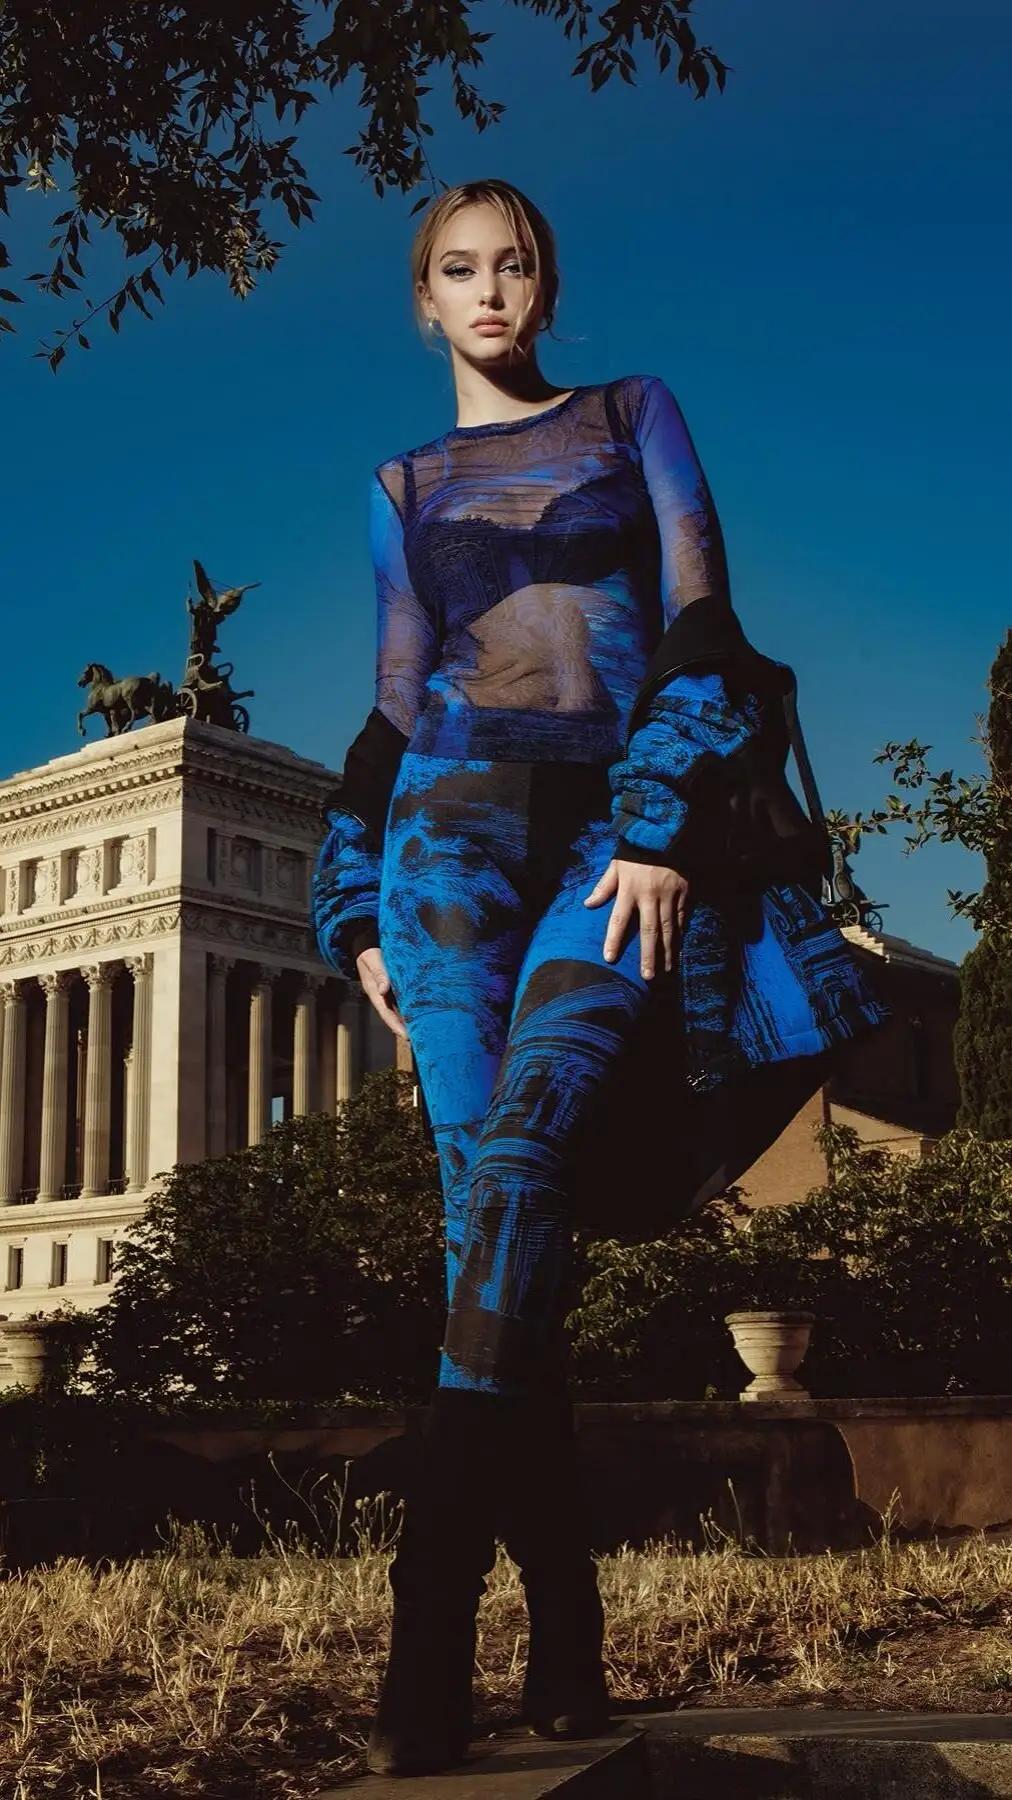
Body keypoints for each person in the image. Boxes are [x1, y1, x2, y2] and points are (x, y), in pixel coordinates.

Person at [311, 177, 888, 1777]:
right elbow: (392, 704)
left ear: (545, 286)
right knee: (494, 1242)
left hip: (609, 841)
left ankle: (425, 1626)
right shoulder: (400, 484)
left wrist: (660, 821)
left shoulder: (634, 414)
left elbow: (705, 619)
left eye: (514, 265)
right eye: (459, 270)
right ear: (424, 301)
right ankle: (566, 1640)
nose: (490, 290)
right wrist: (354, 911)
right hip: (443, 848)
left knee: (524, 1166)